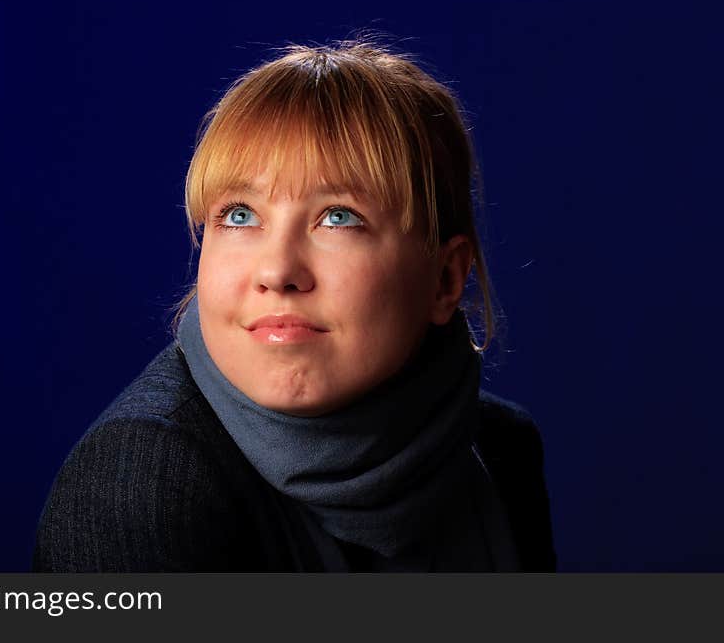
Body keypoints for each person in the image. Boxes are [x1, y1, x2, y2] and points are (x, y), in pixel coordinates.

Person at [32, 38, 556, 572]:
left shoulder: (501, 450)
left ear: (445, 280)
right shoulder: (140, 482)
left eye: (338, 217)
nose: (277, 272)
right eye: (239, 215)